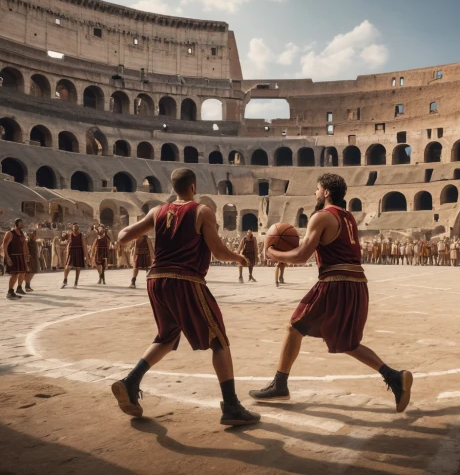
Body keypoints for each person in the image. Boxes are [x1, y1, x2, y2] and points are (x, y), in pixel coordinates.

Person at [249, 174, 413, 413]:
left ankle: (280, 384)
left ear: (326, 192)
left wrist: (273, 254)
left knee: (295, 326)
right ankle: (394, 376)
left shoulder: (322, 216)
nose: (315, 193)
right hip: (356, 283)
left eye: (317, 189)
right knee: (346, 342)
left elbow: (301, 256)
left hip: (335, 282)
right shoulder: (348, 217)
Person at [111, 168, 260, 426]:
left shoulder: (157, 211)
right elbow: (217, 250)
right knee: (219, 340)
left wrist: (156, 231)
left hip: (156, 280)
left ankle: (131, 381)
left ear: (173, 187)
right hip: (185, 280)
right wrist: (238, 257)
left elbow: (123, 237)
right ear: (193, 187)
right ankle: (232, 406)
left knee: (167, 337)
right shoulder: (202, 211)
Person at [3, 219, 29, 299]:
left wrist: (26, 255)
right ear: (16, 224)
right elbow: (4, 246)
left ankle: (19, 288)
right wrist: (7, 257)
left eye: (22, 223)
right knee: (15, 274)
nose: (22, 224)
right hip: (13, 256)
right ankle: (10, 292)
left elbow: (24, 245)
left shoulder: (22, 234)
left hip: (20, 256)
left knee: (22, 272)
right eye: (20, 223)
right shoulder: (10, 233)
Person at [61, 223, 88, 289]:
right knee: (67, 267)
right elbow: (67, 244)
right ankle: (65, 280)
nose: (75, 228)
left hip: (79, 251)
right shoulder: (70, 235)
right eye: (74, 227)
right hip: (71, 252)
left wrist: (86, 256)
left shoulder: (81, 235)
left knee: (78, 267)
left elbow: (84, 246)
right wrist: (67, 253)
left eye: (76, 227)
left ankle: (76, 281)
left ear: (78, 228)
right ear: (72, 228)